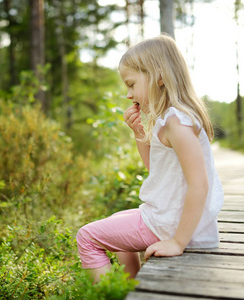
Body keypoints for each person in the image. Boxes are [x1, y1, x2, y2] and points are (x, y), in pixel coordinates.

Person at [76, 35, 224, 283]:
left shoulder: (177, 122)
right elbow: (156, 172)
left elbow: (200, 183)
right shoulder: (171, 119)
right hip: (170, 218)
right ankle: (134, 287)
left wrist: (178, 241)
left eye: (131, 84)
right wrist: (139, 134)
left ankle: (111, 295)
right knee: (115, 224)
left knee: (87, 237)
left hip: (174, 225)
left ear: (160, 77)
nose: (128, 94)